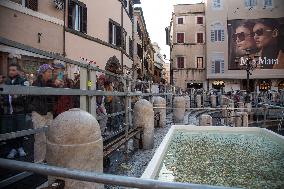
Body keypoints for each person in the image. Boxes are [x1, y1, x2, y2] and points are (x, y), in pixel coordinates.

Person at [1, 63, 28, 159]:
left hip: (19, 110)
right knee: (10, 130)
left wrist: (17, 95)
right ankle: (13, 148)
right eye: (10, 70)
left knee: (20, 129)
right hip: (8, 110)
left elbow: (25, 93)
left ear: (18, 71)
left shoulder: (23, 81)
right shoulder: (6, 81)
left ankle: (20, 147)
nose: (11, 72)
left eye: (13, 70)